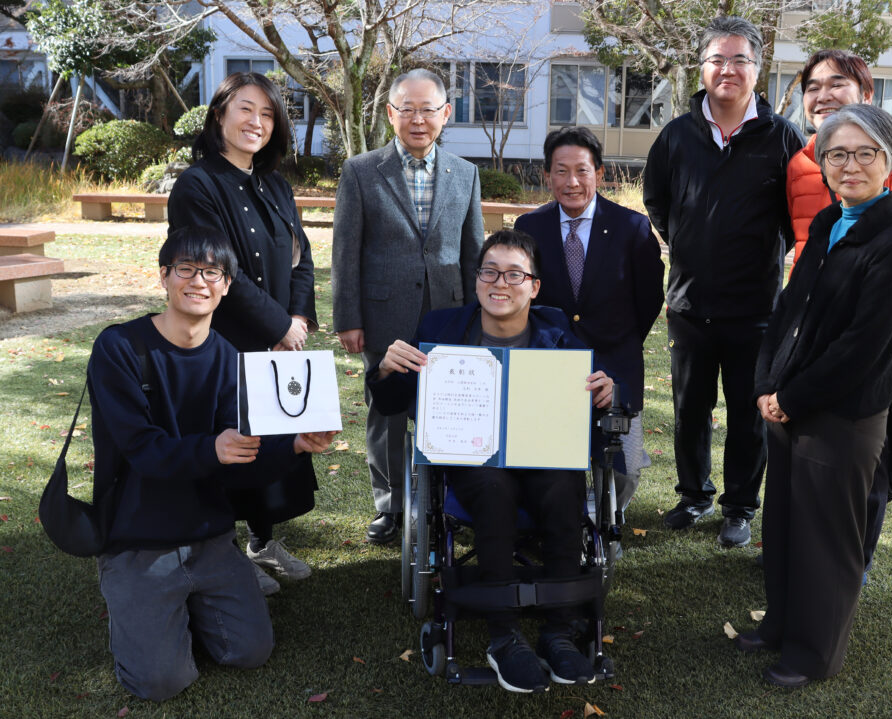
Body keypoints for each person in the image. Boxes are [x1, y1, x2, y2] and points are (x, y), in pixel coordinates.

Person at [88, 227, 335, 701]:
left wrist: (296, 447)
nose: (198, 281)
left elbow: (238, 464)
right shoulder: (119, 348)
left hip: (210, 536)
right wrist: (210, 449)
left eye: (213, 272)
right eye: (186, 268)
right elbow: (142, 450)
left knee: (251, 651)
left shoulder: (228, 359)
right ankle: (138, 605)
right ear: (163, 276)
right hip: (139, 538)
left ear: (225, 286)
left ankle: (182, 611)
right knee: (161, 683)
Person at [367, 230, 613, 694]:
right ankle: (504, 637)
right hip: (471, 457)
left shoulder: (557, 329)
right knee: (493, 487)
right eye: (490, 271)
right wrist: (385, 368)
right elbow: (391, 400)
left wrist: (604, 395)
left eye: (515, 274)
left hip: (542, 455)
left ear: (534, 286)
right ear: (477, 280)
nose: (501, 283)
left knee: (564, 486)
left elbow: (585, 403)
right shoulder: (440, 328)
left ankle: (559, 631)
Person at [738, 104, 892, 688]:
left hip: (841, 413)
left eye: (864, 153)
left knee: (827, 542)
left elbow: (862, 347)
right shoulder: (826, 223)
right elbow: (788, 310)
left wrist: (792, 396)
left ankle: (812, 657)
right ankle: (780, 626)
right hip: (787, 402)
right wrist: (766, 383)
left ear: (887, 161)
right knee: (787, 525)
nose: (849, 165)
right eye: (837, 153)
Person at [643, 16, 804, 547]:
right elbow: (657, 202)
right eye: (717, 59)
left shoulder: (781, 137)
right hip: (689, 305)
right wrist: (688, 242)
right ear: (702, 67)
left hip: (756, 309)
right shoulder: (677, 135)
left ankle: (738, 505)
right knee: (691, 408)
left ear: (757, 69)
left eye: (740, 60)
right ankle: (693, 495)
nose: (727, 69)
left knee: (747, 413)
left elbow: (795, 214)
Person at [787, 49, 892, 573]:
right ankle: (804, 551)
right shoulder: (801, 163)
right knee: (808, 447)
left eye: (838, 84)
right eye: (813, 86)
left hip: (872, 335)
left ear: (866, 95)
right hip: (810, 331)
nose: (824, 94)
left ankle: (854, 553)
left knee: (863, 457)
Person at [168, 72, 319, 594]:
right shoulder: (197, 186)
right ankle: (227, 552)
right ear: (219, 115)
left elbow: (303, 258)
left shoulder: (276, 185)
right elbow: (216, 270)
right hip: (223, 344)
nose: (257, 122)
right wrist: (278, 325)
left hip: (281, 343)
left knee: (276, 442)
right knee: (234, 445)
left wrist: (296, 322)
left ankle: (262, 540)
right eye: (246, 110)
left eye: (269, 114)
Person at [332, 68, 485, 545]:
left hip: (449, 314)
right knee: (388, 417)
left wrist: (478, 318)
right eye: (407, 108)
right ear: (390, 113)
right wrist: (349, 319)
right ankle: (391, 507)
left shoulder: (466, 173)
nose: (418, 120)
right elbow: (345, 252)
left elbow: (473, 251)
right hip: (383, 318)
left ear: (445, 114)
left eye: (428, 109)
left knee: (452, 412)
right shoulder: (361, 171)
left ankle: (452, 505)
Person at [514, 127, 664, 512]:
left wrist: (619, 340)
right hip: (552, 363)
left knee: (624, 468)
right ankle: (564, 520)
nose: (572, 182)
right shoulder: (530, 228)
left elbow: (649, 299)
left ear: (599, 173)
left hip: (616, 364)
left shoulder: (632, 227)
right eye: (560, 171)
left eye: (582, 170)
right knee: (549, 461)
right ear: (547, 176)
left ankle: (601, 518)